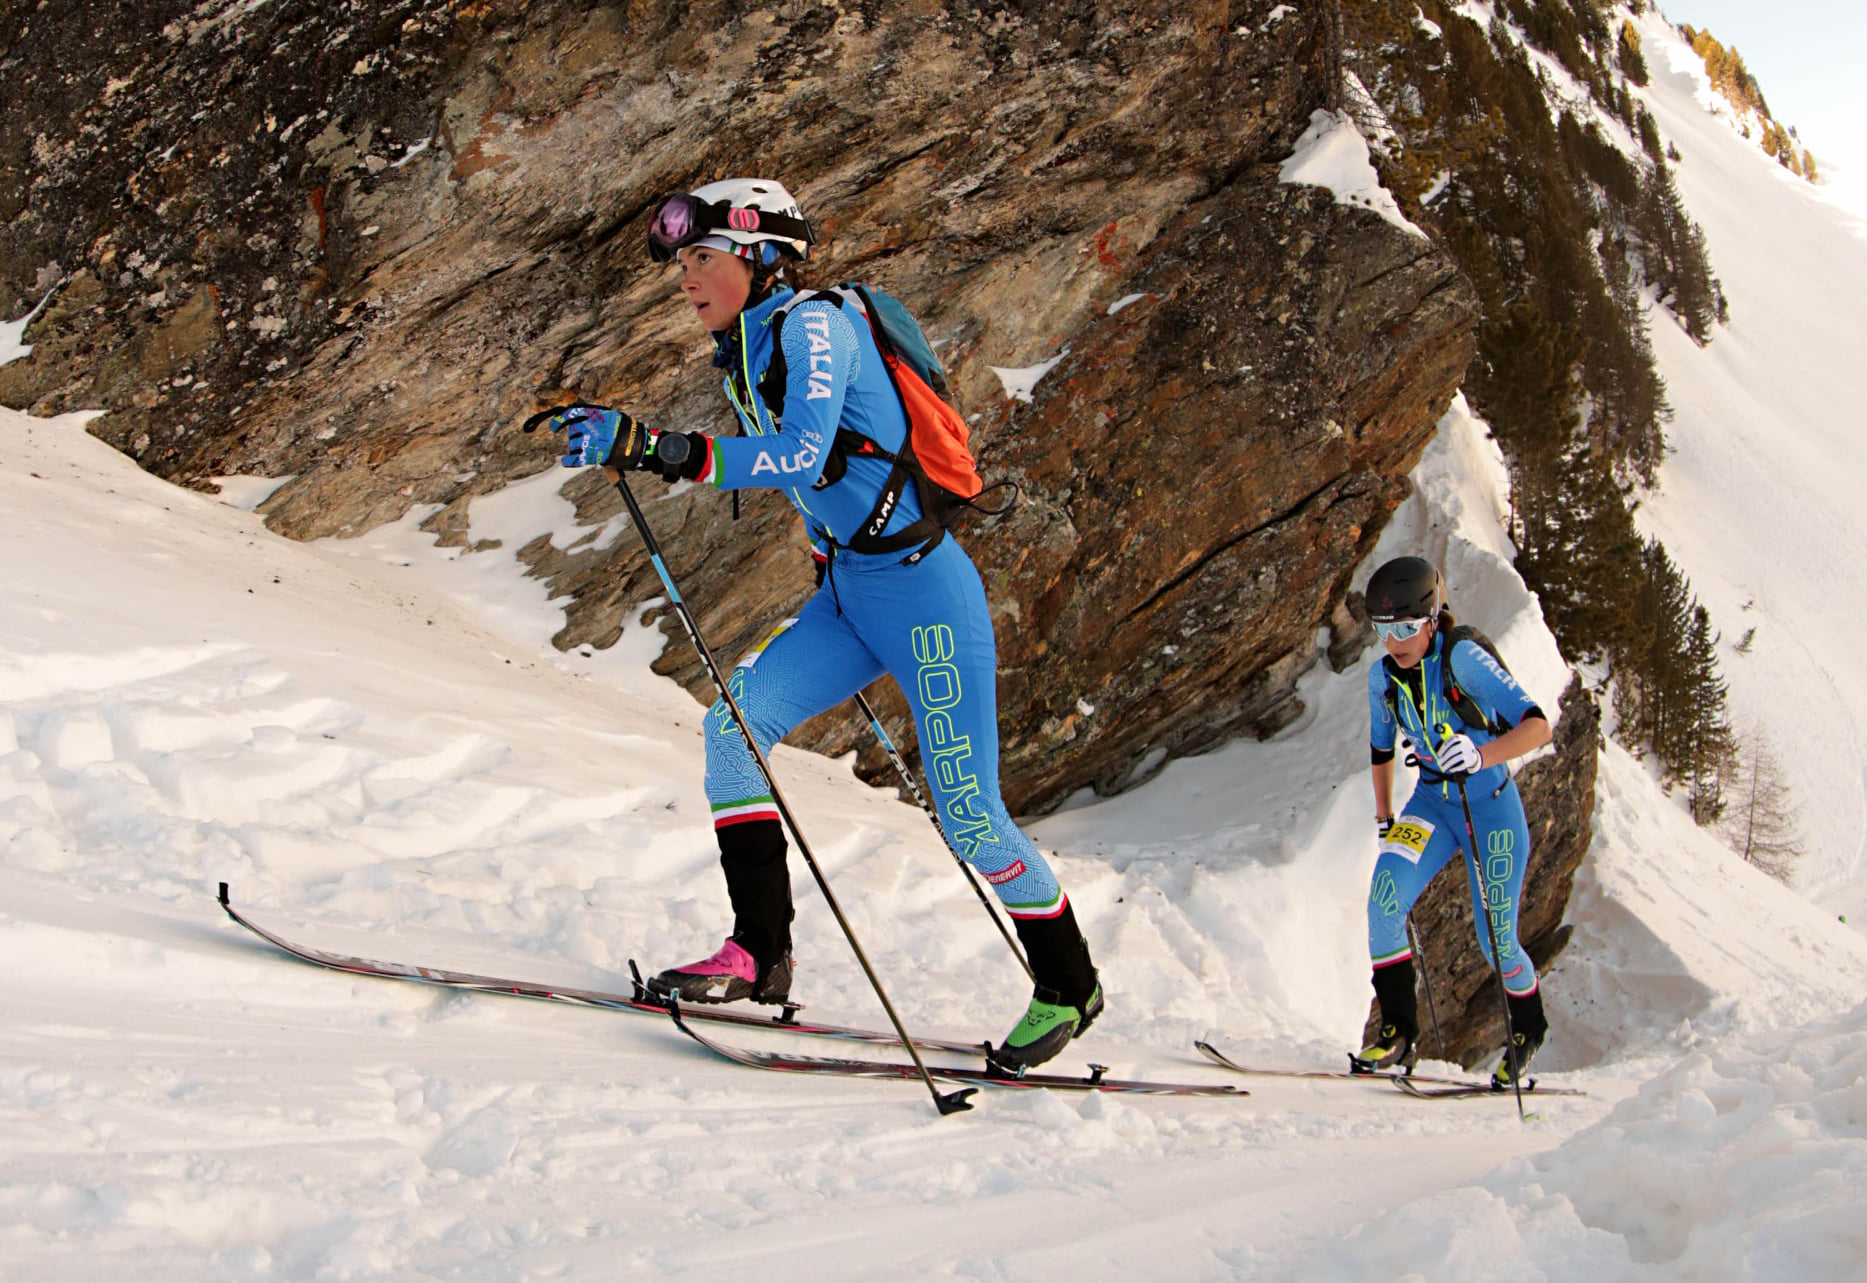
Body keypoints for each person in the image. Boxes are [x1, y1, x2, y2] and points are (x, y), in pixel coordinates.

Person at [527, 178, 1102, 1073]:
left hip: (922, 596)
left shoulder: (812, 325)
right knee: (733, 729)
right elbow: (821, 474)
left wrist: (650, 446)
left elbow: (799, 449)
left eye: (701, 256)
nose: (685, 276)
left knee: (969, 817)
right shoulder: (748, 344)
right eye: (681, 260)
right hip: (848, 594)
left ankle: (1069, 983)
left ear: (759, 256)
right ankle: (759, 953)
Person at [1356, 556, 1553, 1087]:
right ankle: (1398, 1031)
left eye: (1405, 628)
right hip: (1431, 806)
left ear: (1432, 616)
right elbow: (1380, 750)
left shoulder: (1462, 659)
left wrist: (1482, 754)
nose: (1394, 642)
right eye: (1382, 629)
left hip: (1490, 808)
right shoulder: (1382, 678)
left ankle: (1528, 1026)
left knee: (1497, 940)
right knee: (1384, 900)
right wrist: (1383, 815)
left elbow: (1538, 727)